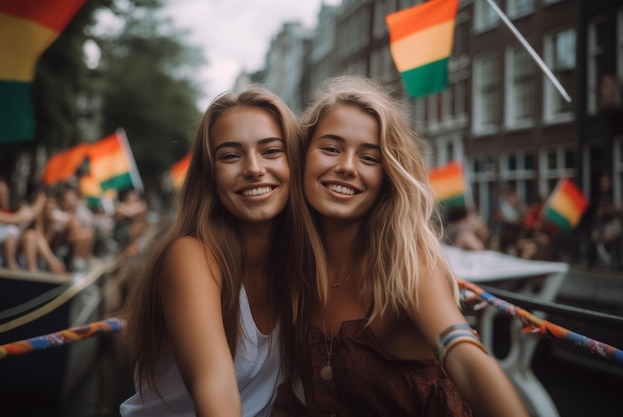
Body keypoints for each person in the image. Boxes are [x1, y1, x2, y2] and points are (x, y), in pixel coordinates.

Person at [274, 76, 529, 417]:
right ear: (303, 157)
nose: (347, 167)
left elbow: (465, 356)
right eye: (331, 149)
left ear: (387, 175)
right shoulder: (293, 264)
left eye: (369, 157)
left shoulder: (406, 262)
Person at [120, 87, 317, 417]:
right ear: (208, 176)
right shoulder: (190, 256)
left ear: (295, 163)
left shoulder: (304, 262)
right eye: (230, 156)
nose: (254, 168)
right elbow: (216, 390)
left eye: (270, 151)